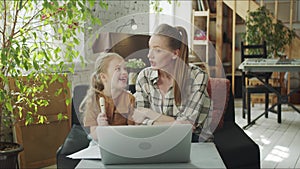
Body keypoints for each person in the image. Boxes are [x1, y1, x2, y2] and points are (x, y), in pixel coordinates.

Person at [133, 23, 212, 142]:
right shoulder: (144, 77)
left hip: (193, 141)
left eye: (157, 50)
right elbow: (139, 122)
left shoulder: (197, 76)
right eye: (150, 48)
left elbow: (187, 129)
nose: (149, 55)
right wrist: (177, 123)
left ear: (175, 54)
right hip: (157, 139)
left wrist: (149, 113)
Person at [80, 52, 135, 140]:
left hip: (123, 141)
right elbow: (93, 136)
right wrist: (100, 128)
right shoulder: (94, 100)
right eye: (118, 69)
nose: (124, 72)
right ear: (103, 77)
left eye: (125, 69)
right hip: (100, 143)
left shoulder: (129, 99)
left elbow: (133, 131)